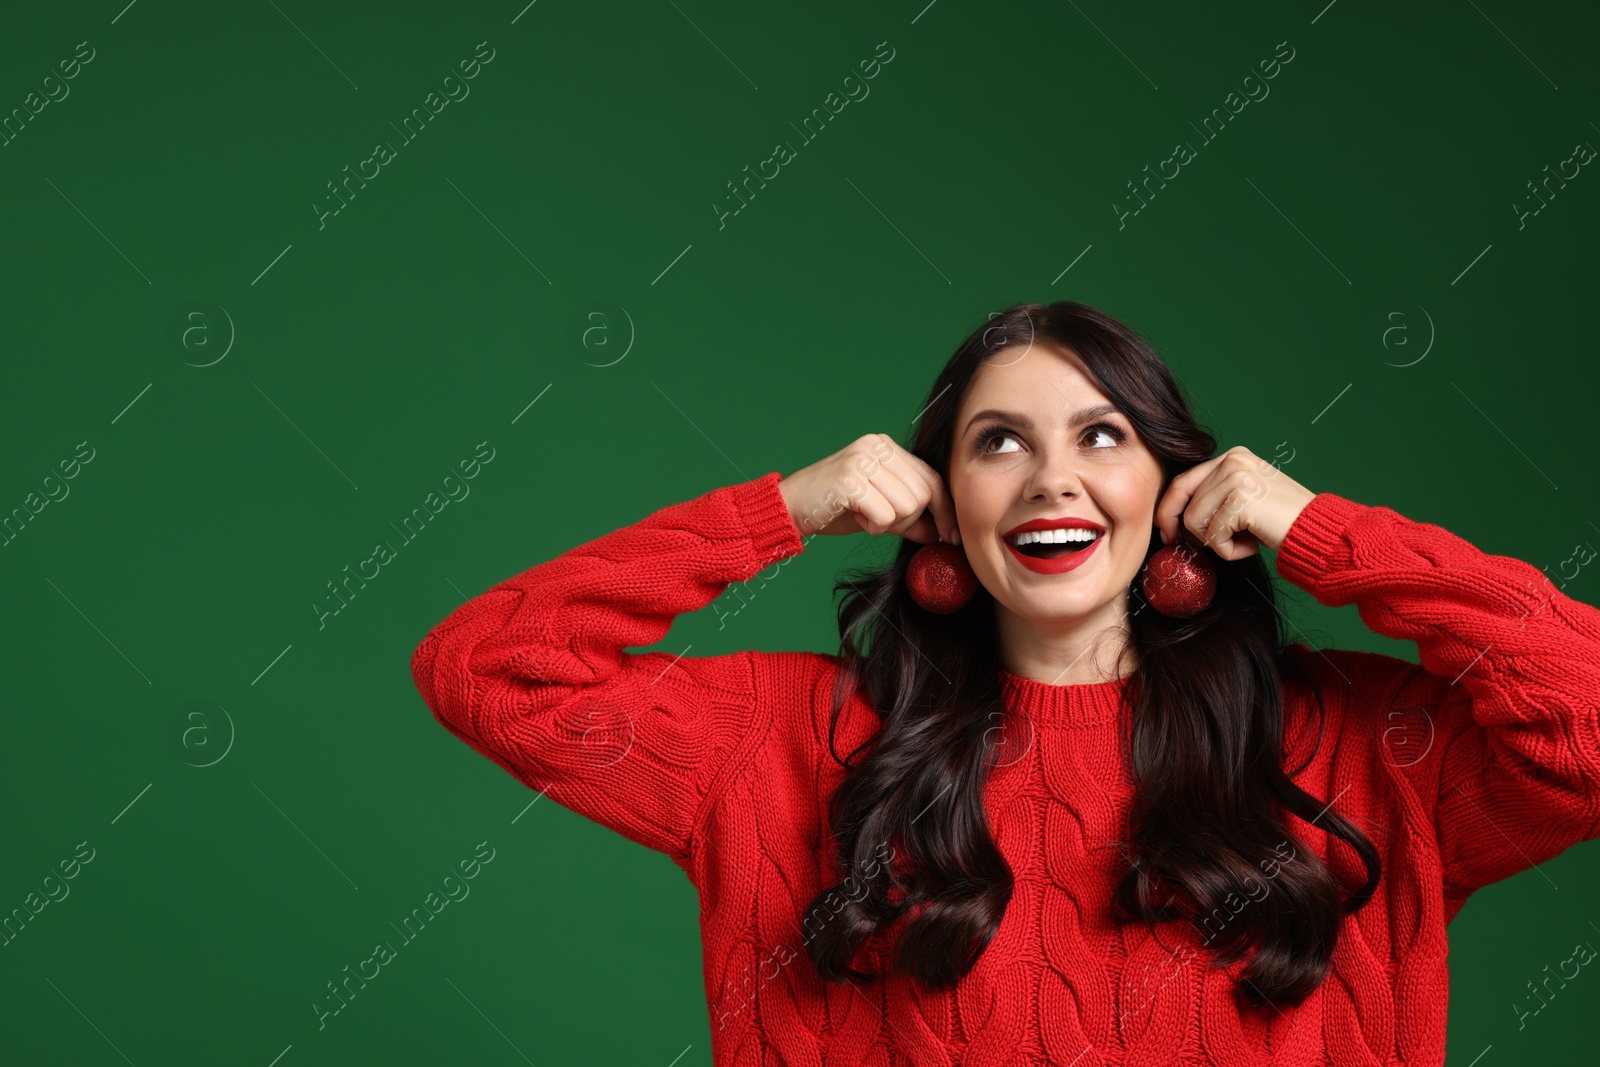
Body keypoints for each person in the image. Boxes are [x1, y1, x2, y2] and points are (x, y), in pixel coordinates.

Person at [408, 300, 1600, 1065]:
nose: (1049, 481)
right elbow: (487, 668)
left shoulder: (1354, 740)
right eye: (998, 442)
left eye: (1101, 435)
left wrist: (1327, 531)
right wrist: (777, 510)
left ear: (1176, 490)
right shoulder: (782, 738)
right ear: (938, 503)